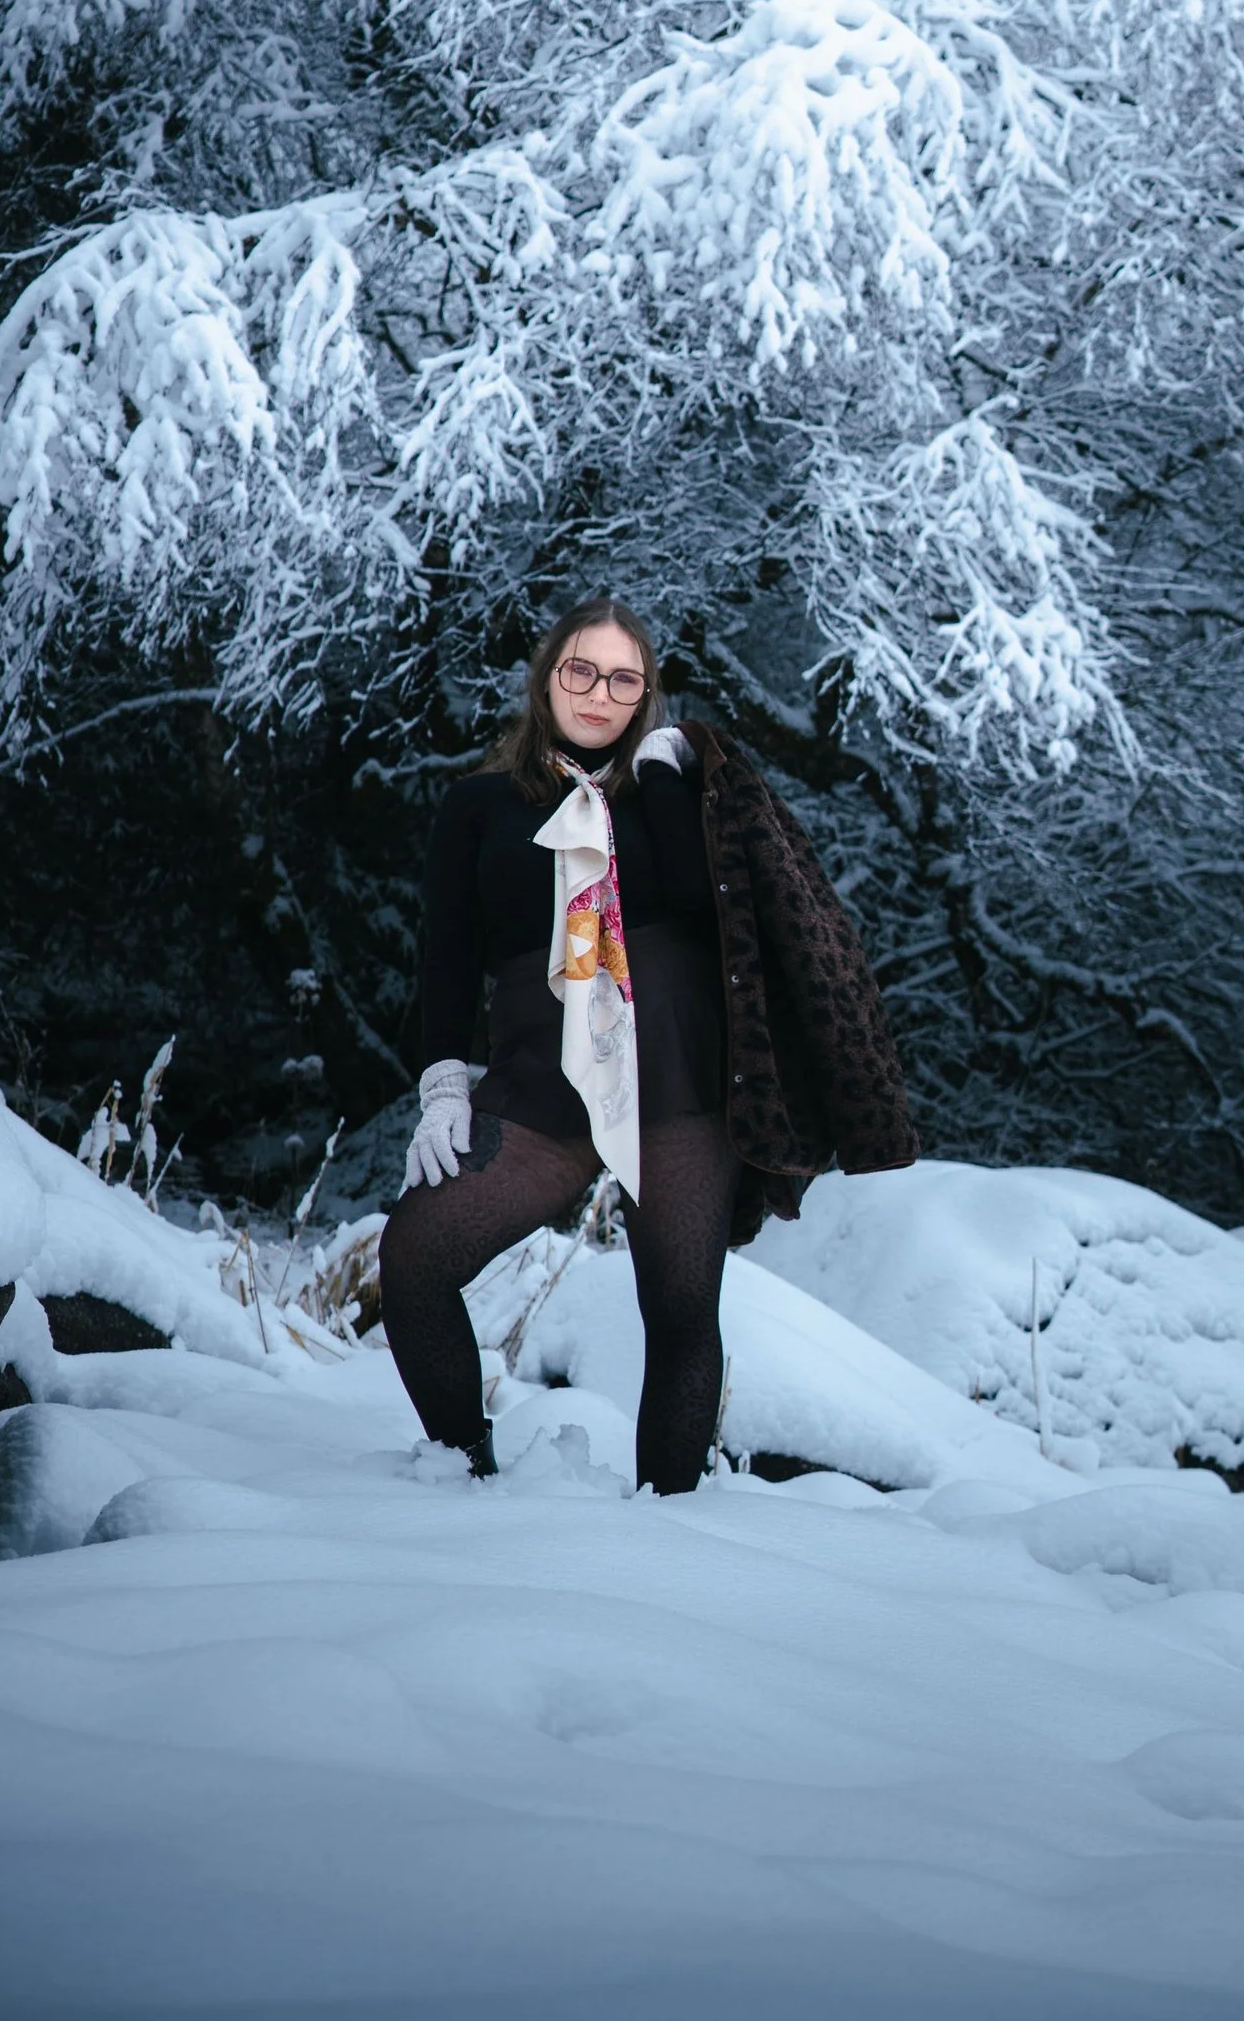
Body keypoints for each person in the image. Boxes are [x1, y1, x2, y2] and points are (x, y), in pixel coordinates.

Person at [377, 596, 917, 1495]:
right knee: (416, 1256)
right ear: (547, 675)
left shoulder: (673, 791)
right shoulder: (478, 805)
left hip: (674, 1078)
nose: (599, 693)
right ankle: (462, 1480)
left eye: (624, 679)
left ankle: (668, 1526)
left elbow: (716, 911)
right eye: (581, 671)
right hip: (540, 1085)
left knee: (678, 1308)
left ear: (645, 695)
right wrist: (442, 1084)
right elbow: (446, 955)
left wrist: (668, 778)